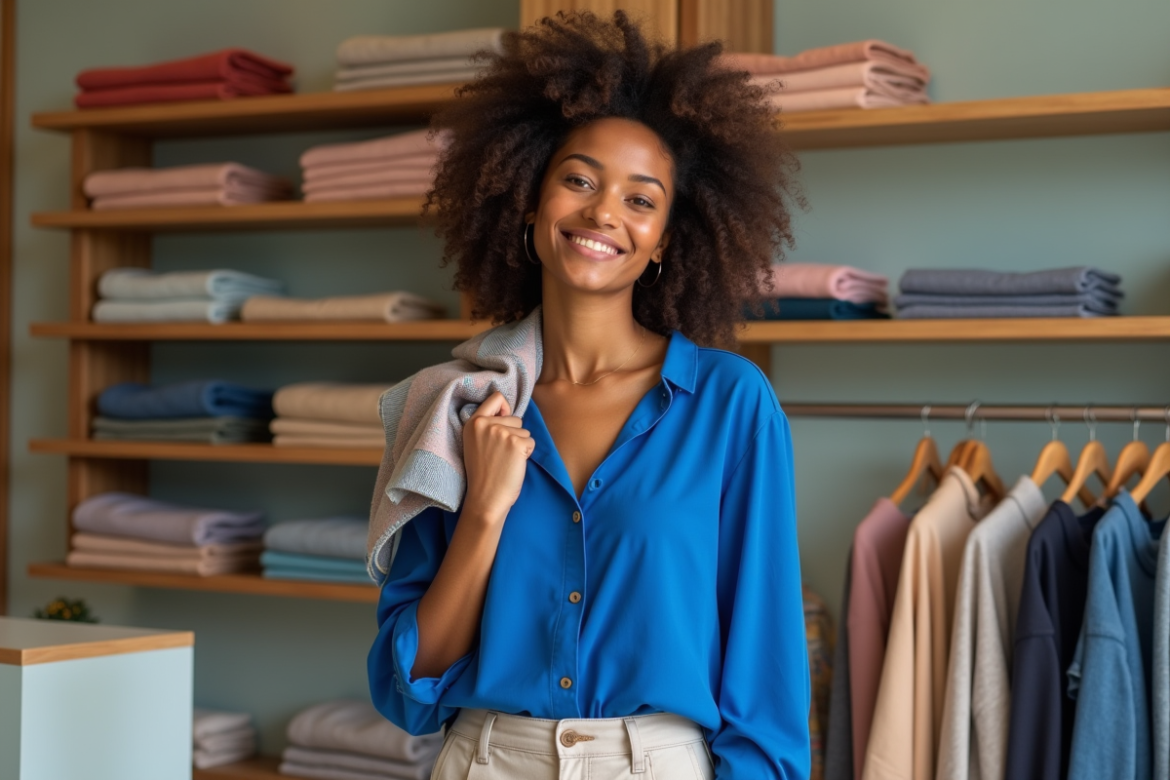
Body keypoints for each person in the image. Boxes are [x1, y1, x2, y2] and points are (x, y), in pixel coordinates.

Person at [368, 11, 809, 779]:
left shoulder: (730, 404)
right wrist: (483, 512)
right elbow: (410, 686)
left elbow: (765, 663)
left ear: (667, 238)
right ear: (532, 204)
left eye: (641, 200)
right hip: (484, 759)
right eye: (578, 180)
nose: (604, 212)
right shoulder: (455, 408)